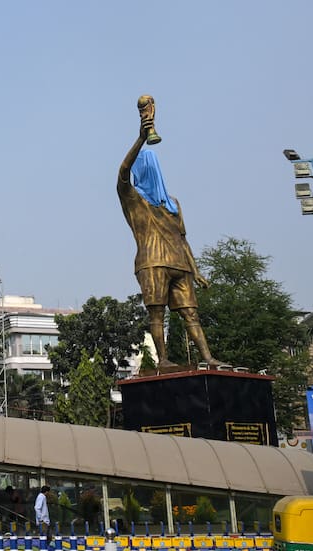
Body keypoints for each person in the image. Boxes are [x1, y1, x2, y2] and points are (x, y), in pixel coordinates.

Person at [117, 114, 223, 369]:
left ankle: (208, 358)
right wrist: (141, 139)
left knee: (191, 314)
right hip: (152, 262)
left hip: (180, 264)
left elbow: (182, 239)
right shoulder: (133, 199)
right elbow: (122, 173)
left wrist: (196, 271)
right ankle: (163, 359)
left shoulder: (173, 203)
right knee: (157, 313)